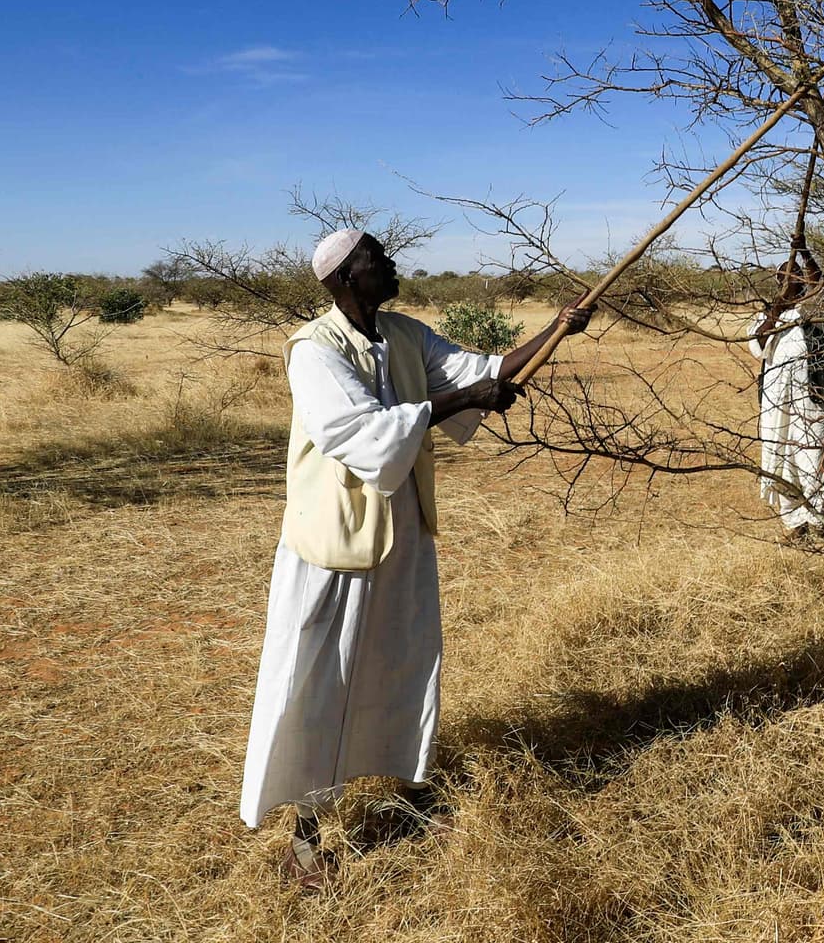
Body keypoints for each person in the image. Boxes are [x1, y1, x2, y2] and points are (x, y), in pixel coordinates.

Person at [239, 228, 593, 890]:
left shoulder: (401, 332)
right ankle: (308, 840)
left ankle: (396, 795)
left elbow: (478, 371)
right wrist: (463, 401)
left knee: (397, 666)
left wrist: (557, 330)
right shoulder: (313, 351)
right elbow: (363, 432)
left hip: (400, 536)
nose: (392, 263)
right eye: (377, 257)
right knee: (322, 681)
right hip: (335, 545)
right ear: (345, 276)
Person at [747, 239, 824, 541]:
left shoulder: (816, 308)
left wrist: (803, 250)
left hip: (814, 399)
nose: (791, 282)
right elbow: (758, 346)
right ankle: (794, 524)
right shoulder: (766, 317)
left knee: (811, 460)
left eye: (796, 276)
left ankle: (819, 524)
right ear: (777, 283)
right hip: (777, 404)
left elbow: (820, 281)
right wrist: (780, 303)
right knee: (782, 459)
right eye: (785, 279)